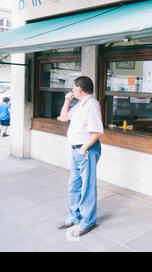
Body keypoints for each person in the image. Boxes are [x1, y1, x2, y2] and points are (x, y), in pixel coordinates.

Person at [56, 76, 103, 237]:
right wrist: (67, 101)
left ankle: (88, 222)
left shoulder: (91, 105)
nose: (72, 90)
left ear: (80, 89)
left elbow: (97, 132)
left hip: (86, 150)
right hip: (77, 150)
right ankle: (73, 217)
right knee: (73, 186)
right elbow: (63, 118)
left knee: (87, 187)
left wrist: (83, 149)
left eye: (73, 87)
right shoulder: (80, 104)